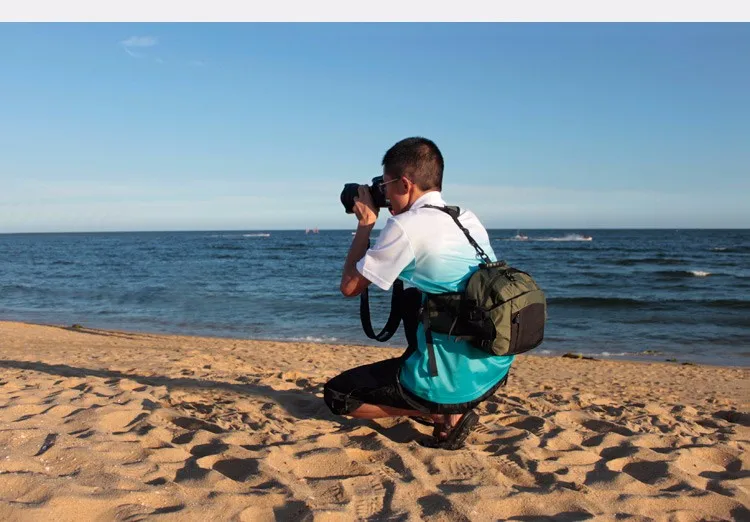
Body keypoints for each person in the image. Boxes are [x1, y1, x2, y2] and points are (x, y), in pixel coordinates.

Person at [323, 137, 513, 450]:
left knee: (338, 396)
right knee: (414, 298)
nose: (382, 194)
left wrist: (366, 225)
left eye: (385, 185)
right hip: (493, 365)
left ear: (406, 183)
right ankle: (443, 400)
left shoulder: (406, 228)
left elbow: (350, 286)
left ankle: (441, 411)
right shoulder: (465, 215)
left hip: (456, 379)